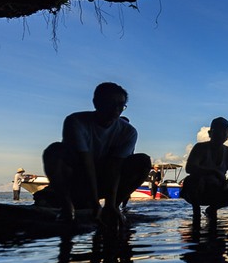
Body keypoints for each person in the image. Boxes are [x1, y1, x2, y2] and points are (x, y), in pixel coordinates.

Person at [40, 82, 151, 228]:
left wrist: (110, 204)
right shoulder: (76, 122)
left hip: (104, 180)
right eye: (111, 103)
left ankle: (113, 209)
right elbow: (86, 162)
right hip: (77, 179)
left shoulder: (128, 132)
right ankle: (67, 206)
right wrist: (94, 204)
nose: (116, 109)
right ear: (96, 103)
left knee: (143, 161)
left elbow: (115, 167)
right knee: (54, 150)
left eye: (121, 105)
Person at [181, 117, 228, 221]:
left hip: (217, 189)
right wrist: (213, 171)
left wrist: (226, 185)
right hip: (198, 189)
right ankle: (196, 212)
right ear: (210, 133)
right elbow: (190, 168)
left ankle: (212, 209)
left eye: (224, 131)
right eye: (218, 131)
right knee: (191, 181)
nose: (221, 134)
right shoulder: (200, 148)